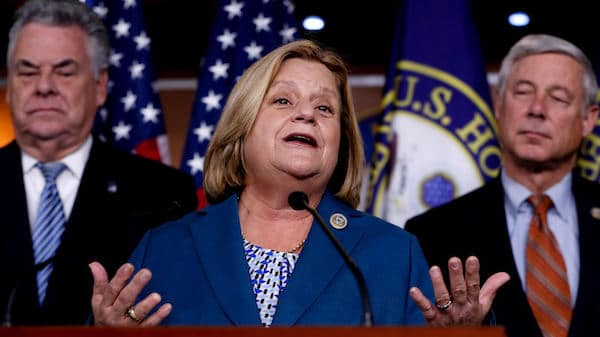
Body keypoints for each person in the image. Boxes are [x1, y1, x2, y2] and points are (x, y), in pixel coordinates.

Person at [89, 39, 509, 327]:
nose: (307, 115)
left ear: (339, 143)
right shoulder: (165, 249)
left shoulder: (393, 255)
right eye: (283, 100)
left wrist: (460, 335)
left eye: (325, 108)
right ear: (241, 128)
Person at [0, 0, 198, 326]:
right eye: (28, 71)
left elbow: (178, 309)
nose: (44, 86)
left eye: (64, 72)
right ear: (10, 86)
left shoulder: (162, 194)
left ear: (100, 86)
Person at [405, 34, 600, 337]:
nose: (537, 109)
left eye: (558, 97)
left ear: (588, 119)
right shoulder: (431, 234)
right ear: (498, 103)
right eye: (523, 92)